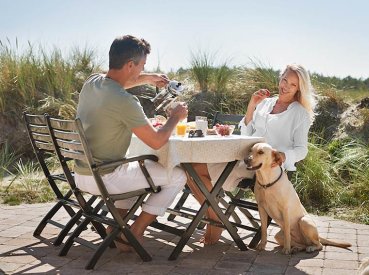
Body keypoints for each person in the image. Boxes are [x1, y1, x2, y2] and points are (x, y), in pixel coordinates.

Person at [74, 35, 188, 252]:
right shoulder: (125, 101)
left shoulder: (92, 82)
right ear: (129, 65)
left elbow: (120, 81)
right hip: (106, 178)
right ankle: (135, 232)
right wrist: (175, 117)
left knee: (135, 171)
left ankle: (117, 228)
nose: (142, 70)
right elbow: (156, 141)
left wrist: (149, 77)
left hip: (82, 175)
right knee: (178, 175)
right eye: (141, 66)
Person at [186, 63, 316, 244]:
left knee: (195, 172)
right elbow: (246, 135)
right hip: (243, 157)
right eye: (284, 80)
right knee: (191, 169)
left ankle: (214, 222)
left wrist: (283, 157)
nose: (285, 86)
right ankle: (215, 217)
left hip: (265, 168)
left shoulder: (300, 114)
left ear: (299, 89)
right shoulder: (266, 103)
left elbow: (302, 149)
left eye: (292, 84)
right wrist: (252, 106)